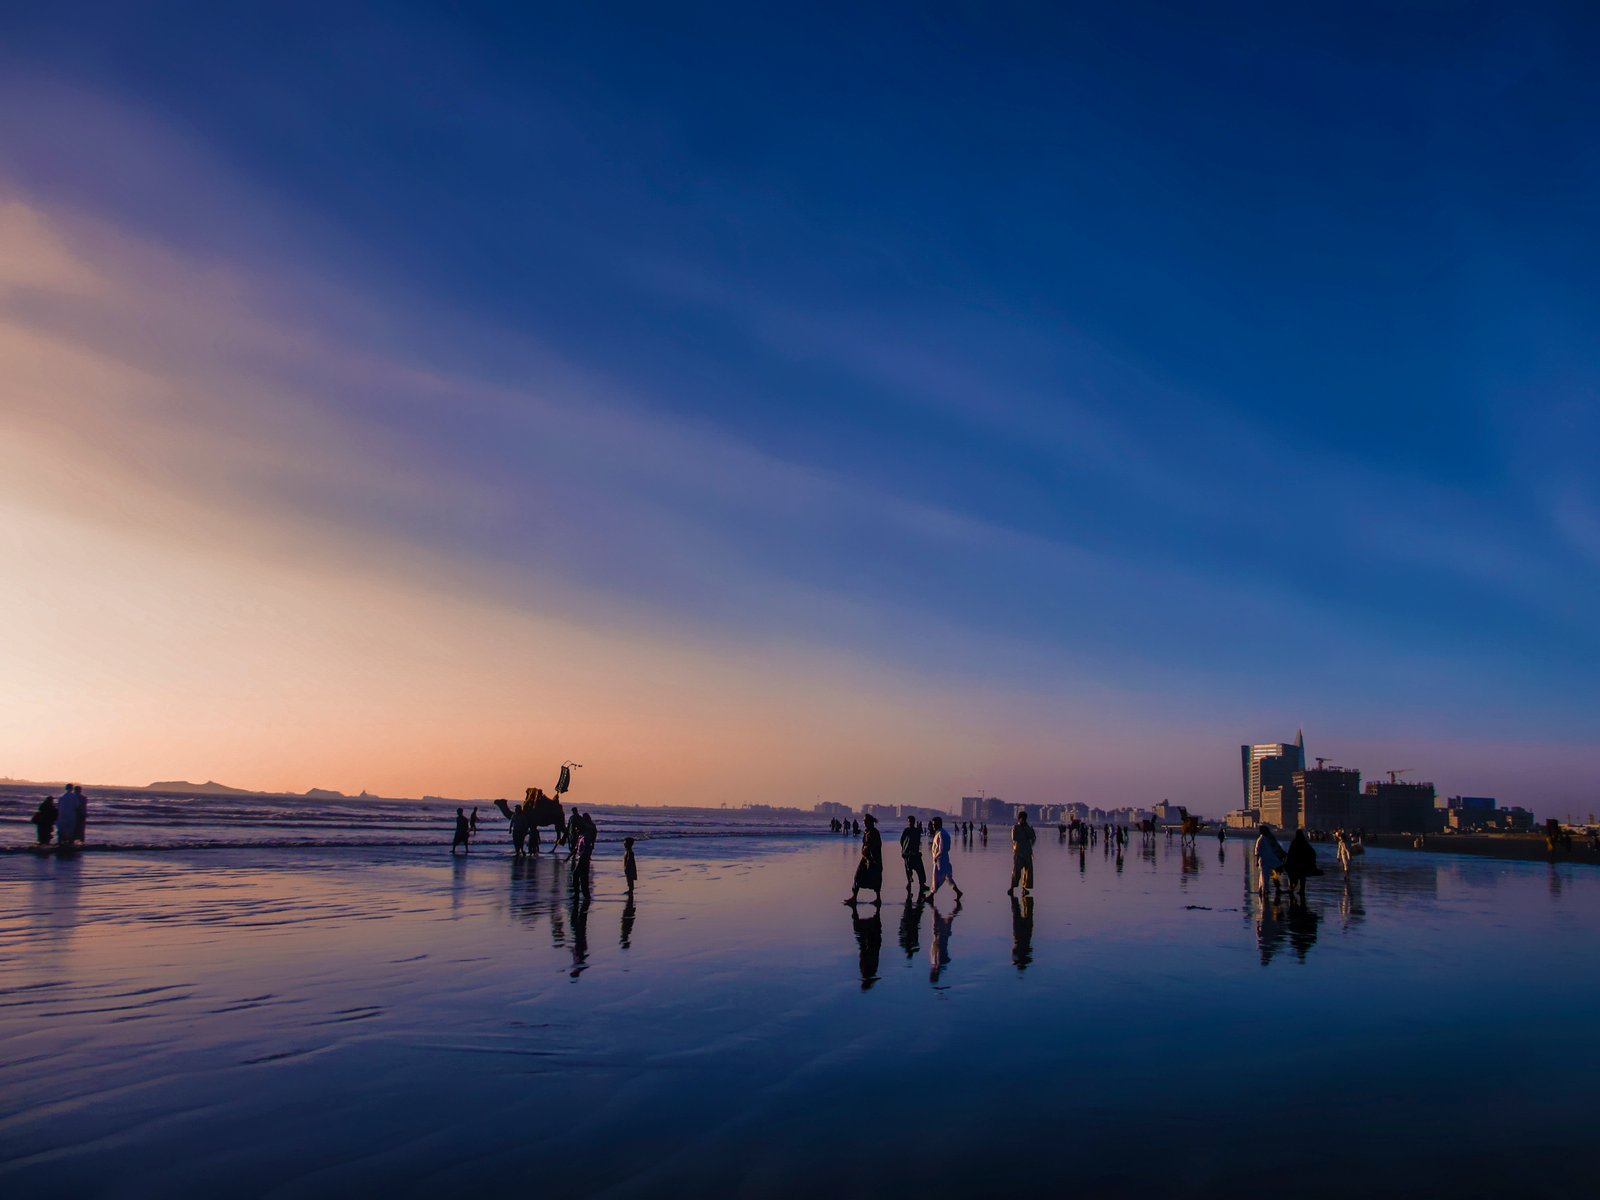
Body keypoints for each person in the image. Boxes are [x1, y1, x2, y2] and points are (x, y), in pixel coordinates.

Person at [847, 813, 884, 904]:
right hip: (865, 858)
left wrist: (870, 858)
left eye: (865, 821)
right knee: (858, 876)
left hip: (874, 860)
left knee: (876, 878)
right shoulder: (866, 832)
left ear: (870, 822)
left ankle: (878, 898)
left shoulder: (874, 832)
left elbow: (874, 845)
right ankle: (854, 897)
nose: (864, 822)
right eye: (863, 821)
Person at [926, 815, 963, 901]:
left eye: (934, 824)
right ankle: (958, 892)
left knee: (937, 877)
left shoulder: (941, 834)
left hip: (940, 859)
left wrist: (936, 856)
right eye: (933, 824)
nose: (933, 826)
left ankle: (931, 895)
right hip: (942, 858)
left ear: (939, 824)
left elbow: (942, 848)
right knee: (946, 877)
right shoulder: (941, 833)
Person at [1284, 829, 1323, 900]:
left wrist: (1288, 862)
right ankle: (1301, 890)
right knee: (1302, 878)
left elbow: (1290, 853)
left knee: (1294, 877)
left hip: (1296, 864)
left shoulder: (1295, 842)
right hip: (1302, 864)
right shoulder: (1304, 842)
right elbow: (1312, 852)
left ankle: (1292, 889)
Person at [1254, 823, 1288, 897]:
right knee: (1265, 877)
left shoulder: (1266, 839)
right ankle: (1264, 890)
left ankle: (1271, 889)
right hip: (1268, 861)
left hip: (1271, 860)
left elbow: (1258, 851)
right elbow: (1258, 852)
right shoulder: (1263, 839)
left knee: (1271, 875)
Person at [1008, 809, 1036, 895]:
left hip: (1027, 853)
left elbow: (1033, 838)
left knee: (1028, 872)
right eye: (1022, 818)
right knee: (1016, 871)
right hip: (1018, 853)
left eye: (1024, 818)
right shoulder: (1015, 828)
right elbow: (1014, 838)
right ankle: (1012, 887)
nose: (1023, 820)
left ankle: (1024, 888)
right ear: (1019, 819)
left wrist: (1027, 829)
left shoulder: (1029, 828)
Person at [899, 815, 927, 894]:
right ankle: (913, 884)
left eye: (910, 821)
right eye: (909, 821)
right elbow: (902, 841)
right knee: (912, 869)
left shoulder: (914, 830)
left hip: (911, 853)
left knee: (914, 869)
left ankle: (918, 884)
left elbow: (902, 841)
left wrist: (904, 850)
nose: (910, 823)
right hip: (909, 853)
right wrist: (905, 850)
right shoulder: (909, 830)